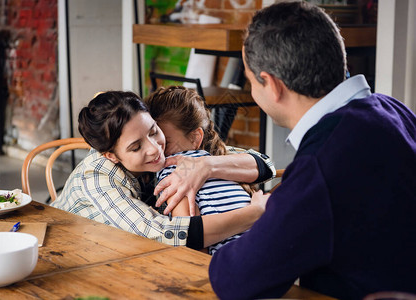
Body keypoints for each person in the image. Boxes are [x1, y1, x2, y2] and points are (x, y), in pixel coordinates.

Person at [209, 2, 416, 300]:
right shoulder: (394, 110)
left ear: (272, 85)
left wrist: (266, 214)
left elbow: (234, 279)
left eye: (251, 80)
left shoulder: (322, 166)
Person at [52, 90, 274, 251]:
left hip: (125, 249)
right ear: (111, 155)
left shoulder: (173, 153)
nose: (155, 149)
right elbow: (162, 234)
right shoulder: (98, 175)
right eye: (136, 147)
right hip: (71, 248)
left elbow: (265, 164)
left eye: (154, 131)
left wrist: (206, 165)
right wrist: (253, 215)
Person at [145, 86, 273, 254]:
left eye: (165, 142)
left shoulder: (172, 171)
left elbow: (193, 245)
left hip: (237, 261)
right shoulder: (222, 162)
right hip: (271, 246)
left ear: (195, 138)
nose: (155, 149)